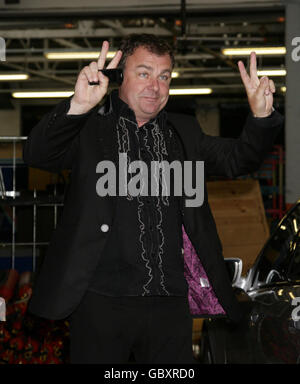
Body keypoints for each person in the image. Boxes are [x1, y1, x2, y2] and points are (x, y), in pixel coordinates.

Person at [23, 34, 284, 364]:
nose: (155, 86)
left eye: (164, 76)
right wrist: (78, 106)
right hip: (101, 300)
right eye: (144, 73)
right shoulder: (90, 129)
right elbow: (37, 154)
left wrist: (261, 118)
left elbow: (239, 159)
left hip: (169, 302)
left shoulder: (185, 133)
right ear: (121, 76)